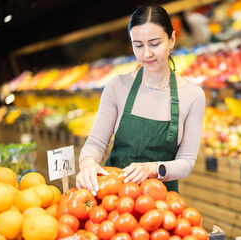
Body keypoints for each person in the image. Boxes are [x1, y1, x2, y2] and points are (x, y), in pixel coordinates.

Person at [76, 4, 205, 194]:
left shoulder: (192, 95)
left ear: (172, 40)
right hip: (115, 199)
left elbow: (186, 163)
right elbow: (96, 143)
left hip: (161, 204)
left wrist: (153, 169)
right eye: (138, 45)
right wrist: (87, 162)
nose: (146, 54)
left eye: (154, 44)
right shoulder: (117, 86)